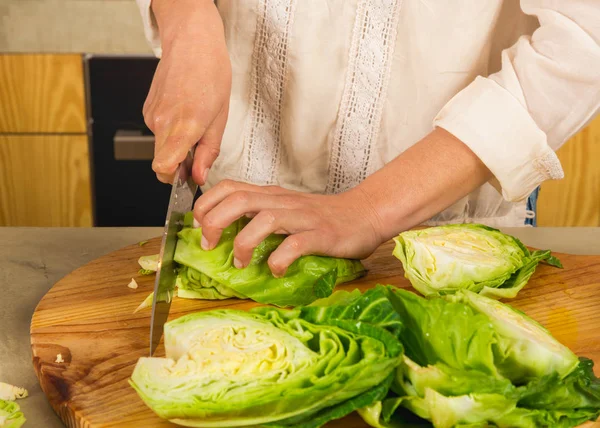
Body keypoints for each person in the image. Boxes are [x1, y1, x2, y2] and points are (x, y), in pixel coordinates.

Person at [135, 0, 599, 277]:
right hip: (234, 223)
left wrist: (372, 209)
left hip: (442, 239)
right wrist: (186, 20)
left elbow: (584, 45)